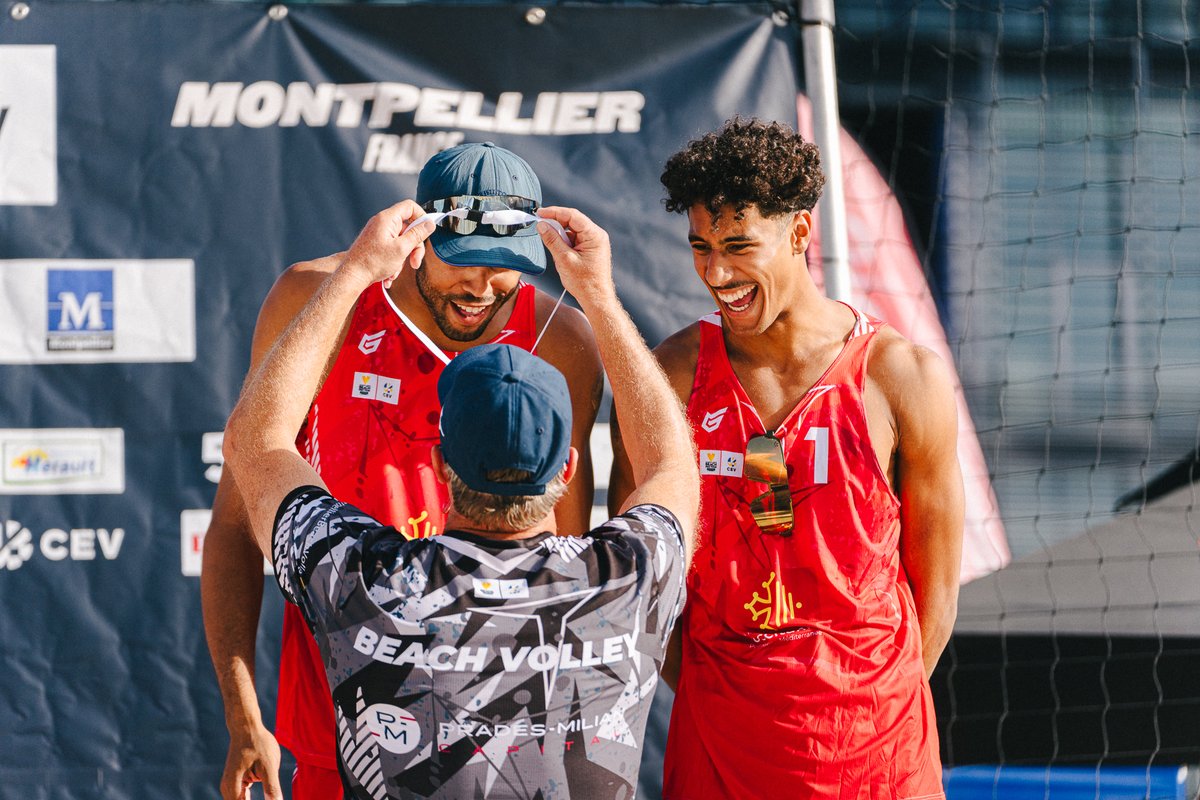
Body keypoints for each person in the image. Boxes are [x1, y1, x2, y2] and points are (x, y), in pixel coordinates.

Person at [220, 199, 698, 799]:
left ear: (441, 465)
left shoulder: (366, 588)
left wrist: (353, 273)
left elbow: (255, 444)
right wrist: (600, 296)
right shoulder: (623, 583)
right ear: (569, 468)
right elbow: (673, 462)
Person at [608, 117, 965, 798]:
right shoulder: (673, 375)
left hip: (876, 747)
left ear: (800, 233)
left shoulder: (901, 375)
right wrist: (726, 690)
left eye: (739, 245)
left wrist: (865, 701)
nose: (716, 272)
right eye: (700, 247)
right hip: (721, 738)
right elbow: (648, 575)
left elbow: (938, 594)